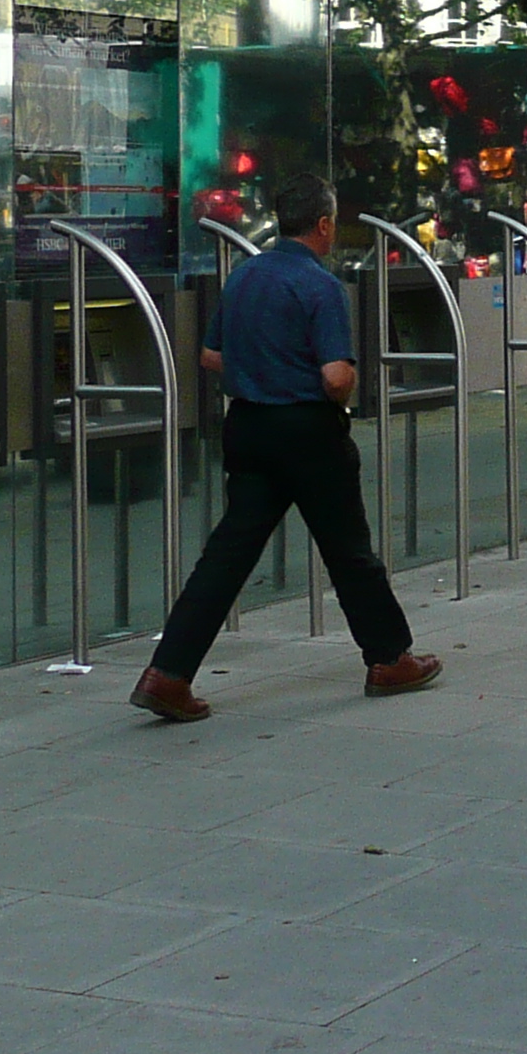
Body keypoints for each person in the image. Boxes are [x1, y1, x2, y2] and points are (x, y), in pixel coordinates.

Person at [131, 174, 440, 722]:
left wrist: (262, 371)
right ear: (323, 225)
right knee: (350, 552)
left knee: (226, 557)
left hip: (248, 429)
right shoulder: (319, 286)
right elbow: (335, 374)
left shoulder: (245, 275)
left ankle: (168, 672)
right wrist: (336, 388)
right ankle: (389, 658)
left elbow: (210, 355)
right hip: (308, 432)